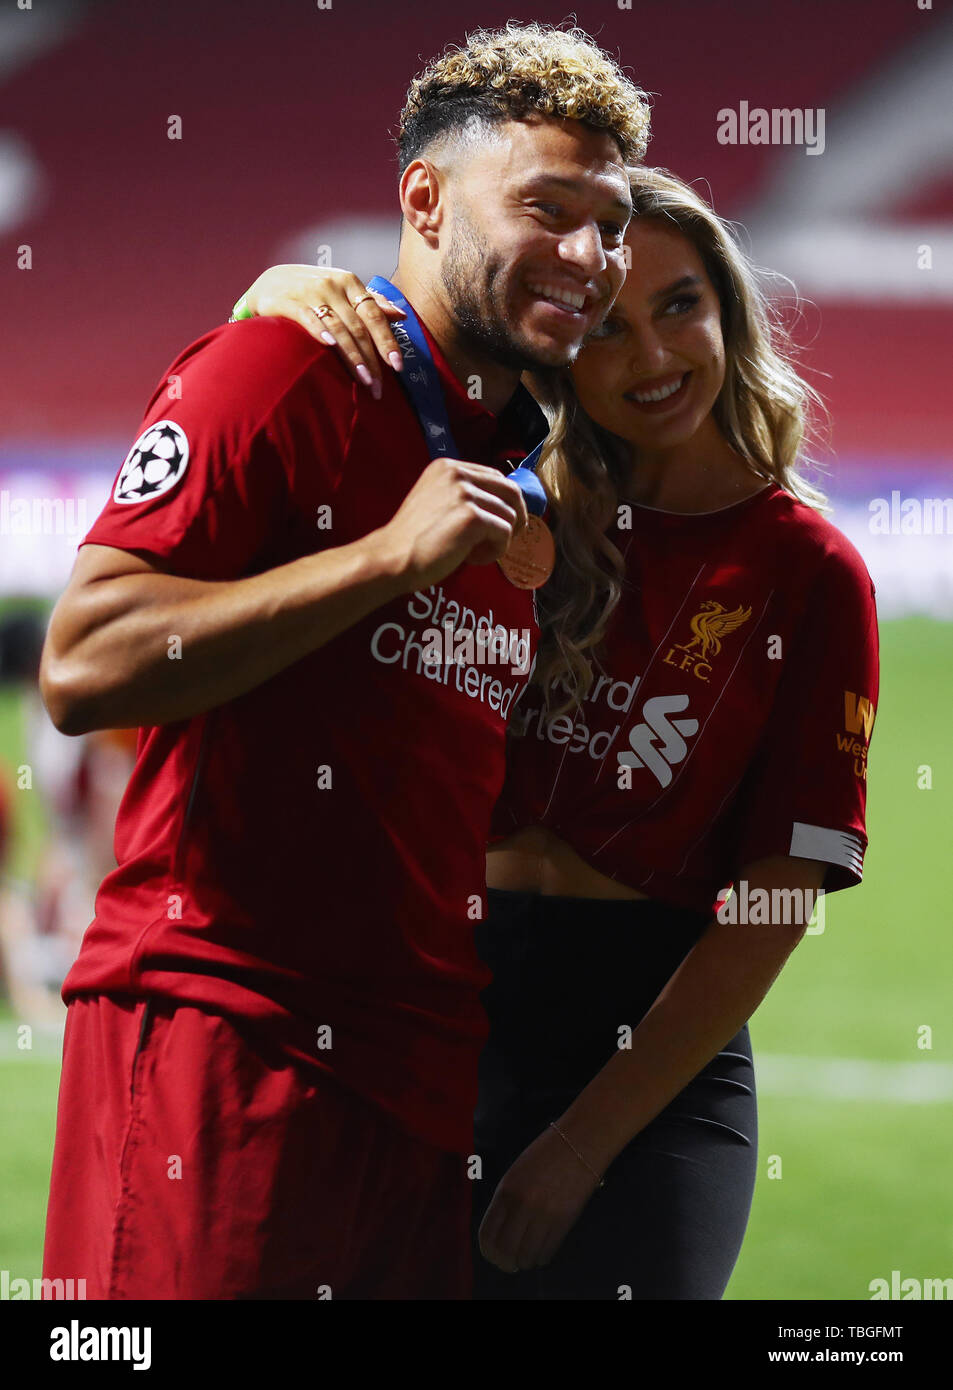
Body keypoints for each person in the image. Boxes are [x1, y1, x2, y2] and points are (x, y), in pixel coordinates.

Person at [38, 22, 650, 1300]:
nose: (589, 257)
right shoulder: (274, 368)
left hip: (417, 1086)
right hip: (224, 1044)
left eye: (612, 223)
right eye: (547, 207)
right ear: (423, 200)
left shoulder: (517, 472)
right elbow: (85, 659)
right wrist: (383, 557)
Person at [233, 165, 879, 1299]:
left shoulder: (809, 572)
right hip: (429, 1013)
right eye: (608, 326)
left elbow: (777, 894)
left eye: (680, 306)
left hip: (649, 1064)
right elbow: (337, 394)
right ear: (558, 343)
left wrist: (581, 1146)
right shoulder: (502, 497)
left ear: (727, 308)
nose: (650, 358)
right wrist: (280, 289)